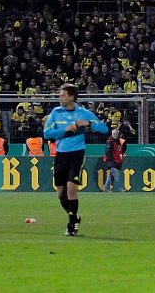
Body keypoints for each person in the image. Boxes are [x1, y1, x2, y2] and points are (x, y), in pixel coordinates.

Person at [43, 84, 108, 236]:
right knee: (60, 193)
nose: (60, 98)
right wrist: (64, 130)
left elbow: (104, 129)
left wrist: (89, 124)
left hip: (77, 154)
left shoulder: (83, 113)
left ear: (71, 97)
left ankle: (71, 224)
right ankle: (74, 217)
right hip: (61, 154)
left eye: (62, 95)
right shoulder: (56, 113)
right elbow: (47, 133)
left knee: (72, 187)